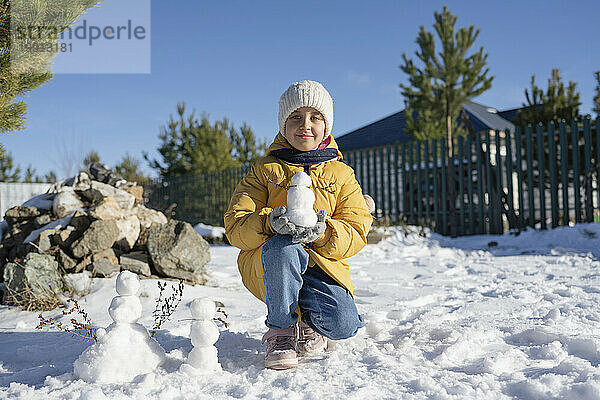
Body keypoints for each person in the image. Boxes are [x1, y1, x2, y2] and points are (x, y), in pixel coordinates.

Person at [224, 80, 373, 370]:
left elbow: (356, 229)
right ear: (283, 124)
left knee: (343, 325)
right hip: (272, 264)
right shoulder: (265, 170)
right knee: (284, 247)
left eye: (315, 117)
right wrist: (269, 221)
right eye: (295, 117)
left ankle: (309, 323)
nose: (305, 125)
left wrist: (324, 232)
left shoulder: (342, 174)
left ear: (326, 125)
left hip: (322, 264)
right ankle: (281, 331)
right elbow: (235, 224)